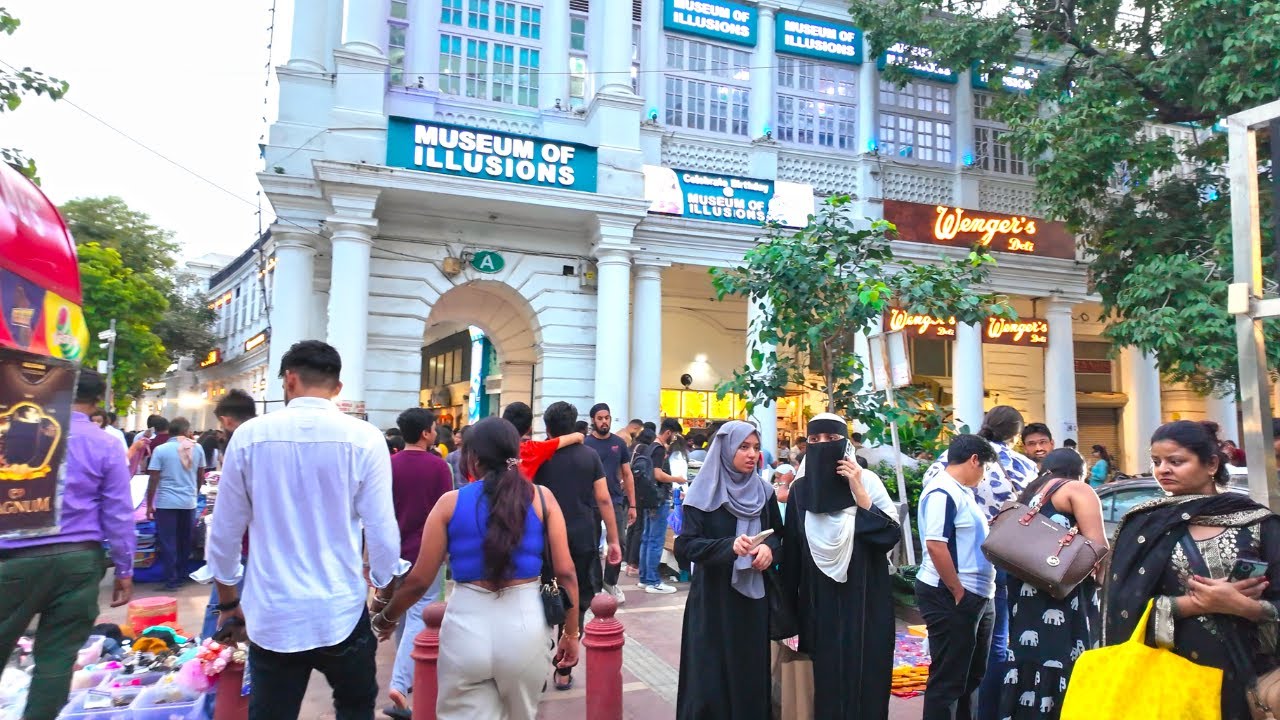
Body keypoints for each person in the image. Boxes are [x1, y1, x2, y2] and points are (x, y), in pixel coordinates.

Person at [207, 340, 408, 720]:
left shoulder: (249, 437)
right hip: (341, 610)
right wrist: (383, 587)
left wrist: (229, 602)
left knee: (271, 711)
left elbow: (225, 531)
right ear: (337, 388)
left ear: (290, 380)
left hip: (273, 612)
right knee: (355, 705)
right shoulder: (365, 438)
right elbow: (382, 529)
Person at [371, 417, 581, 720]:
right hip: (526, 625)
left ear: (473, 457)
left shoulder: (449, 503)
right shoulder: (542, 498)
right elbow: (567, 573)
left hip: (465, 626)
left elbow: (419, 580)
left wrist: (386, 617)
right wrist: (570, 634)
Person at [1103, 420, 1279, 720]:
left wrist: (1247, 608)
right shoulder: (1143, 525)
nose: (1162, 470)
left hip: (1249, 676)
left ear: (1211, 464)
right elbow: (1120, 609)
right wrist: (1191, 604)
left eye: (1176, 461)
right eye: (1156, 462)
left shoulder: (1259, 524)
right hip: (1171, 681)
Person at [0, 370, 135, 720]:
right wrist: (125, 569)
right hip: (78, 562)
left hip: (14, 558)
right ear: (98, 401)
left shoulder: (13, 432)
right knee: (57, 660)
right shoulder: (105, 443)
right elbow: (119, 513)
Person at [781, 413, 901, 719]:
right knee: (823, 677)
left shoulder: (868, 481)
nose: (823, 445)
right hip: (817, 598)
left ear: (845, 443)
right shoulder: (800, 490)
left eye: (832, 439)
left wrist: (858, 489)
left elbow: (888, 535)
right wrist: (787, 613)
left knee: (866, 671)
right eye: (814, 440)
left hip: (865, 595)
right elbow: (793, 551)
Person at [923, 406, 1037, 720]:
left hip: (975, 570)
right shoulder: (1022, 466)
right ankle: (989, 712)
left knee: (970, 660)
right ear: (1015, 436)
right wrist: (956, 589)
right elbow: (936, 541)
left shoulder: (943, 463)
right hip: (995, 563)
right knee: (985, 650)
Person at [675, 421, 782, 720]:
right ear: (725, 449)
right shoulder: (702, 493)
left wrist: (768, 549)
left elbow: (780, 535)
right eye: (744, 447)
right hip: (713, 601)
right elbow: (686, 547)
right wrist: (728, 547)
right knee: (711, 676)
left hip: (752, 602)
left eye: (756, 448)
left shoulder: (764, 491)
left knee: (749, 670)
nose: (752, 455)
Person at [997, 449, 1107, 720]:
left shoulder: (1032, 493)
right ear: (1078, 471)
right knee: (1065, 656)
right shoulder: (1077, 490)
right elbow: (1098, 546)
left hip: (1026, 593)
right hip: (1063, 592)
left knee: (1030, 656)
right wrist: (1103, 584)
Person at [533, 401, 621, 689]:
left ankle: (539, 668)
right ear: (575, 426)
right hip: (583, 535)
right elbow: (604, 498)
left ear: (548, 428)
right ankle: (565, 669)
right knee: (578, 600)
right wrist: (613, 538)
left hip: (545, 538)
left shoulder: (540, 457)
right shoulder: (590, 456)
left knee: (543, 597)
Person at [916, 434, 1000, 720]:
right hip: (951, 593)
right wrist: (957, 590)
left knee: (971, 675)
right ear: (974, 459)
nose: (985, 476)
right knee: (949, 678)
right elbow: (935, 544)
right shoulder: (942, 491)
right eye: (985, 468)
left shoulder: (961, 491)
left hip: (977, 593)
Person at [387, 407, 454, 712]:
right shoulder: (439, 468)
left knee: (402, 612)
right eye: (433, 427)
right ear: (426, 433)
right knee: (418, 615)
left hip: (392, 552)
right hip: (428, 552)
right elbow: (447, 512)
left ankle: (407, 672)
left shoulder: (390, 465)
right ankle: (400, 684)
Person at [199, 390, 257, 642]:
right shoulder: (264, 441)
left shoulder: (240, 445)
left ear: (227, 420)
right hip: (264, 546)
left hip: (243, 544)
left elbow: (228, 519)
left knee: (222, 613)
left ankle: (210, 657)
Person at [585, 403, 636, 604]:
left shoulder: (619, 443)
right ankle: (596, 586)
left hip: (615, 499)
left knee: (619, 542)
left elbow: (627, 474)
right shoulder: (586, 444)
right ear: (593, 420)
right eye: (600, 418)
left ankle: (611, 582)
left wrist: (633, 505)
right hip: (590, 502)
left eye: (607, 417)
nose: (604, 421)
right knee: (592, 545)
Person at [147, 416, 206, 589]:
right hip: (188, 502)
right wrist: (193, 493)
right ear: (186, 431)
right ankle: (181, 574)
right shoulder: (197, 448)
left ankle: (171, 579)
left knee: (168, 541)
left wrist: (150, 503)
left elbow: (153, 479)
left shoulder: (161, 449)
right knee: (184, 540)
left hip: (166, 503)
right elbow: (200, 475)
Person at [638, 418, 686, 594]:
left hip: (649, 498)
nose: (674, 439)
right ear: (668, 432)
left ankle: (644, 578)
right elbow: (657, 474)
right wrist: (676, 479)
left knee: (647, 538)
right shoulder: (659, 449)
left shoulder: (651, 446)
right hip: (658, 499)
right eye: (674, 435)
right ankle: (653, 580)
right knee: (656, 540)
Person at [501, 401, 584, 481]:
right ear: (529, 429)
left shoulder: (491, 445)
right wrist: (578, 436)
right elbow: (563, 440)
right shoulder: (534, 449)